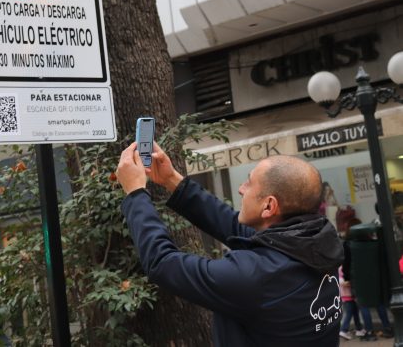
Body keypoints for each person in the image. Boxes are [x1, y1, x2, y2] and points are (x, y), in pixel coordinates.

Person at [116, 143, 344, 346]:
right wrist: (170, 179)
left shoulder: (257, 276)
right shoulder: (315, 243)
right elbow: (232, 226)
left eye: (249, 182)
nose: (241, 188)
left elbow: (163, 263)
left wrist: (136, 193)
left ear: (269, 206)